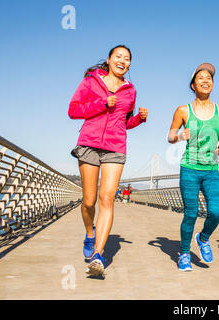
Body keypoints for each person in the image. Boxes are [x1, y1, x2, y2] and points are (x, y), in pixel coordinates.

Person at [68, 45, 148, 277]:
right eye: (118, 57)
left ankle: (98, 255)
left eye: (127, 59)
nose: (122, 61)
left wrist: (139, 120)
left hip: (115, 147)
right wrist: (102, 104)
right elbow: (73, 110)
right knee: (89, 201)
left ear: (130, 65)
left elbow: (124, 123)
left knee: (107, 198)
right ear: (110, 60)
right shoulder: (92, 82)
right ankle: (90, 234)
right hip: (89, 143)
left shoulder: (130, 91)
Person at [168, 63, 219, 271]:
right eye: (200, 78)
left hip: (211, 170)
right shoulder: (183, 110)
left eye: (209, 78)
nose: (205, 81)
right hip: (190, 169)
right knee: (191, 213)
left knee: (215, 211)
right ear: (193, 85)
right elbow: (170, 136)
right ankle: (184, 253)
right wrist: (178, 136)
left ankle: (203, 238)